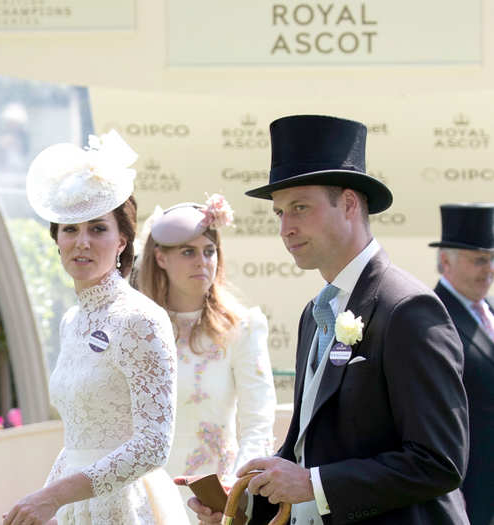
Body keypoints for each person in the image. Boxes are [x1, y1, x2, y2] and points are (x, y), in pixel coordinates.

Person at [186, 115, 469, 524]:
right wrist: (246, 500)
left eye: (300, 208)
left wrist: (313, 485)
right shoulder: (314, 313)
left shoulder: (408, 309)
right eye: (279, 213)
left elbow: (440, 461)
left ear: (350, 204)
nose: (286, 228)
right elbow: (309, 448)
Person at [3, 130, 187, 525]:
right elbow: (79, 440)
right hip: (71, 506)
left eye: (97, 228)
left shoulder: (141, 319)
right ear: (57, 239)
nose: (82, 241)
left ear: (122, 240)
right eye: (70, 229)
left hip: (124, 506)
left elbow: (154, 445)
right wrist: (47, 502)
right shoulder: (71, 321)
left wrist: (52, 496)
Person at [136, 195, 276, 522]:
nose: (202, 261)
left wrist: (238, 490)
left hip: (214, 504)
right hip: (145, 500)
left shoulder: (242, 326)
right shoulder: (138, 329)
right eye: (188, 252)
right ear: (160, 258)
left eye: (209, 251)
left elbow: (258, 418)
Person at [430, 203, 494, 525]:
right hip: (468, 493)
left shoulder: (489, 311)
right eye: (480, 260)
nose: (490, 269)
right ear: (446, 261)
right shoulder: (432, 317)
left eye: (493, 259)